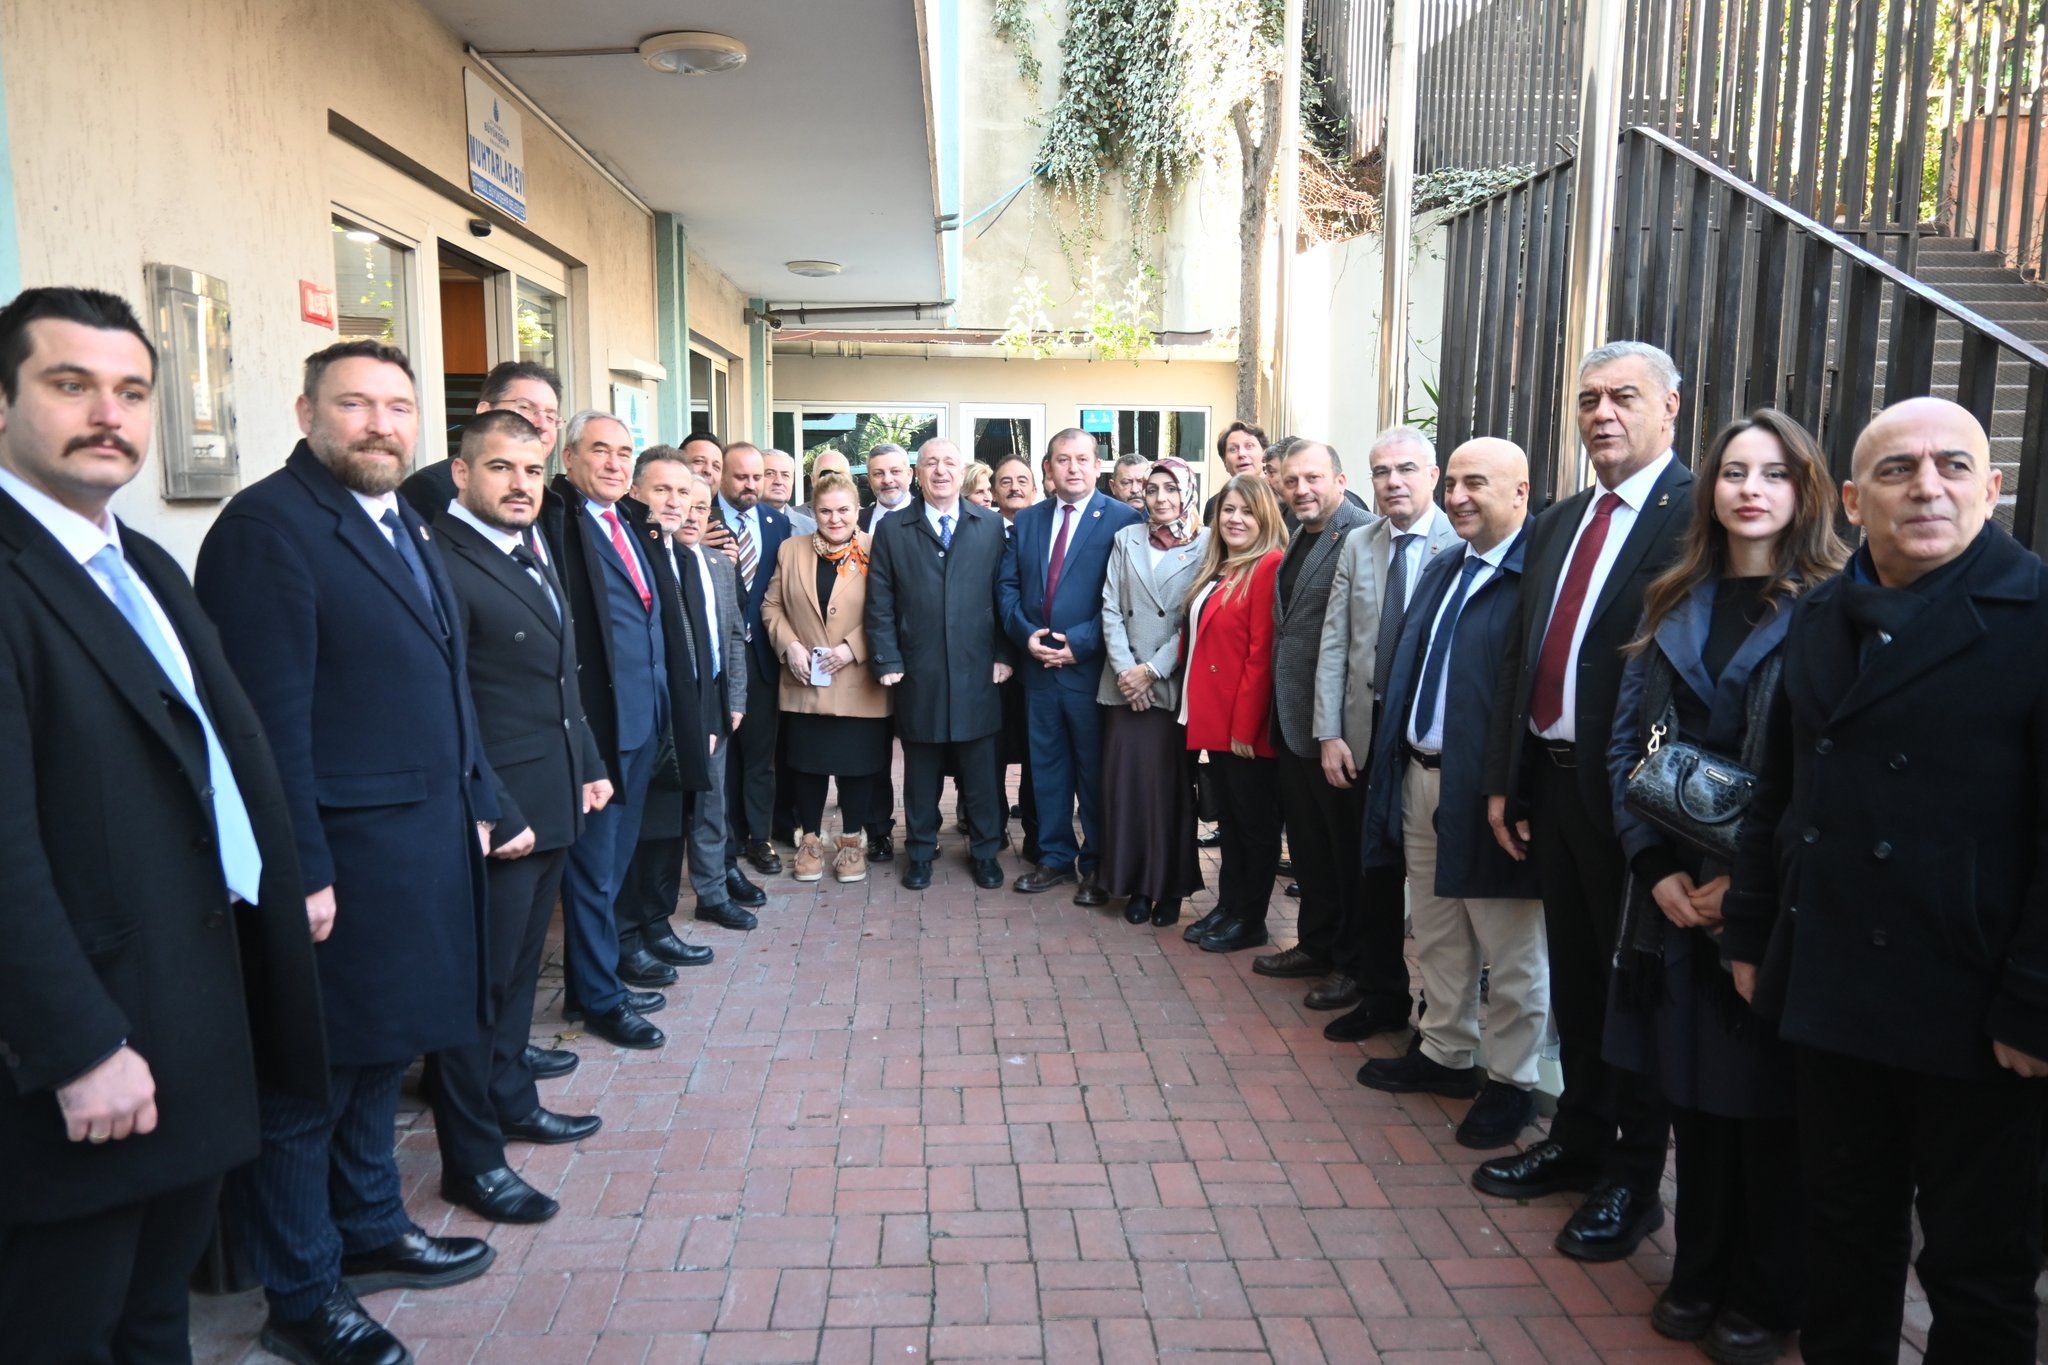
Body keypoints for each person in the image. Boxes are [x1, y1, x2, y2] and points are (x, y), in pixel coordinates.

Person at [0, 287, 324, 1365]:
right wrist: (77, 1046)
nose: (108, 414)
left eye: (132, 391)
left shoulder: (138, 563)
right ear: (3, 403)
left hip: (194, 1017)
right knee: (67, 1329)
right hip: (86, 1057)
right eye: (69, 384)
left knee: (154, 1320)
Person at [1725, 396, 2048, 1362]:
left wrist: (2035, 1003)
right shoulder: (1821, 612)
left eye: (1954, 465)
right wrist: (1749, 928)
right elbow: (1780, 789)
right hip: (1839, 991)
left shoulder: (2035, 615)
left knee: (1980, 1269)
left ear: (1991, 489)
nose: (1929, 485)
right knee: (1845, 1239)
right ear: (1857, 501)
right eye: (1900, 470)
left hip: (1978, 1006)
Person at [197, 339, 498, 1365]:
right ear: (306, 411)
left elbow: (446, 678)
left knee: (378, 1056)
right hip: (336, 863)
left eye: (397, 406)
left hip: (418, 847)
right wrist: (302, 873)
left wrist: (481, 795)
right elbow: (264, 728)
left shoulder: (403, 517)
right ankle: (303, 1293)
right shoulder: (266, 531)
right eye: (355, 404)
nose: (379, 423)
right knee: (306, 1082)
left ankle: (371, 1225)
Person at [1601, 410, 1843, 1362]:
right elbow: (1627, 745)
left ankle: (1764, 1288)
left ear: (1805, 490)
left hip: (1771, 902)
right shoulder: (1673, 597)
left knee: (1766, 1106)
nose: (1750, 487)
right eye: (1734, 470)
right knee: (1693, 1097)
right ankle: (1697, 1269)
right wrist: (1655, 868)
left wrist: (1741, 878)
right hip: (1668, 904)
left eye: (1773, 473)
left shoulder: (1833, 605)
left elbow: (1829, 767)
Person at [1477, 340, 1695, 1262]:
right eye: (1589, 399)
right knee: (1573, 971)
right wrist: (1507, 776)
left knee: (1632, 989)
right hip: (1553, 787)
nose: (1602, 413)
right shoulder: (1562, 521)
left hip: (1640, 801)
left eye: (1624, 397)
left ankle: (1633, 1179)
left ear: (1671, 408)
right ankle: (1576, 1139)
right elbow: (1527, 655)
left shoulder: (1698, 517)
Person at [423, 410, 615, 1226]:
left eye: (532, 470)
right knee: (479, 989)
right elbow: (448, 701)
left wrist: (592, 766)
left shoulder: (528, 546)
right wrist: (494, 808)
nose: (519, 484)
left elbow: (558, 678)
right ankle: (472, 1161)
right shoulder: (442, 557)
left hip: (554, 795)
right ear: (461, 475)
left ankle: (512, 1098)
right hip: (500, 811)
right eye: (499, 468)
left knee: (513, 984)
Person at [1358, 439, 1549, 1153]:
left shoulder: (1536, 579)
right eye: (1457, 482)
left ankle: (1511, 1080)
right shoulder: (1447, 568)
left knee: (1511, 944)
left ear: (1521, 491)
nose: (1460, 495)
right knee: (1437, 929)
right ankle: (1445, 1051)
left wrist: (1514, 787)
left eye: (1479, 482)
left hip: (1489, 791)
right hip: (1419, 775)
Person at [1306, 425, 1461, 1041]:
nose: (1392, 482)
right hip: (1362, 738)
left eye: (1404, 469)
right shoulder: (1359, 543)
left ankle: (1445, 1016)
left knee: (1430, 884)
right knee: (1369, 877)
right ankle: (1380, 996)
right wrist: (1329, 732)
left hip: (1427, 740)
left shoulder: (1460, 541)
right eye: (1381, 472)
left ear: (1432, 476)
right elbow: (1336, 640)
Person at [538, 411, 677, 1051]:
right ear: (569, 459)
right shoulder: (559, 528)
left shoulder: (628, 524)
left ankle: (595, 979)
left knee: (613, 866)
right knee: (593, 872)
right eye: (601, 450)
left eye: (625, 452)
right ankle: (598, 1000)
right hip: (601, 729)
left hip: (643, 723)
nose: (616, 464)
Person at [999, 428, 1146, 901]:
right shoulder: (1027, 521)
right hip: (1038, 669)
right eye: (1063, 460)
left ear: (1097, 466)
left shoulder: (1124, 520)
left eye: (1082, 459)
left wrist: (1078, 644)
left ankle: (1099, 864)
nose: (1073, 468)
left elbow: (1129, 600)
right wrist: (1027, 636)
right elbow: (1006, 588)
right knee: (1046, 769)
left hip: (1092, 671)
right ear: (1049, 468)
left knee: (1093, 770)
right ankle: (1055, 858)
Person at [618, 449, 751, 960]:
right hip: (666, 711)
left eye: (698, 505)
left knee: (710, 805)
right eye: (673, 497)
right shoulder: (650, 560)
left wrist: (730, 701)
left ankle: (708, 894)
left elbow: (733, 638)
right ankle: (647, 926)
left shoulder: (713, 564)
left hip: (712, 701)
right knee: (663, 819)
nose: (688, 512)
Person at [866, 438, 1013, 891]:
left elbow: (1004, 593)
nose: (941, 471)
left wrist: (1005, 655)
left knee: (982, 772)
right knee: (920, 771)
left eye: (950, 463)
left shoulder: (989, 525)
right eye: (931, 463)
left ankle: (986, 851)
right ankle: (920, 851)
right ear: (918, 472)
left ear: (962, 470)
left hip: (977, 671)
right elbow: (880, 600)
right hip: (918, 670)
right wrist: (888, 658)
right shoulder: (893, 528)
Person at [1256, 441, 1376, 995]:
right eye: (1292, 480)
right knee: (1308, 848)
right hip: (1292, 721)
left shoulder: (1363, 535)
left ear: (1340, 478)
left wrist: (1336, 730)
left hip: (1336, 733)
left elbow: (1360, 640)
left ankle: (1352, 963)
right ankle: (1316, 944)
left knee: (1344, 853)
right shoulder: (1294, 533)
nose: (1301, 489)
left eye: (1313, 479)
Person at [762, 471, 892, 882]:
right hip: (805, 680)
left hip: (859, 680)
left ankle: (852, 844)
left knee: (857, 766)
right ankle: (811, 842)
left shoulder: (878, 548)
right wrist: (791, 646)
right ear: (812, 511)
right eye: (825, 511)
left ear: (858, 510)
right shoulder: (790, 549)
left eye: (844, 510)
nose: (835, 519)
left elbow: (892, 608)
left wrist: (854, 648)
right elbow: (771, 606)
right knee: (807, 766)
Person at [1095, 457, 1208, 927]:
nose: (1161, 499)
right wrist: (1128, 672)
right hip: (1123, 689)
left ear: (1188, 493)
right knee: (1126, 792)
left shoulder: (1206, 545)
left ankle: (1170, 888)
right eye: (1153, 489)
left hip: (1171, 686)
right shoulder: (1126, 539)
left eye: (1171, 489)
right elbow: (1110, 608)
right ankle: (1135, 885)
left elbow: (1193, 619)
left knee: (1169, 793)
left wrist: (1152, 671)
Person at [1177, 475, 1287, 952]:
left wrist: (1244, 727)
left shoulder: (1268, 565)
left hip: (1245, 727)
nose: (1235, 519)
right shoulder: (1221, 567)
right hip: (1216, 719)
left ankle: (1251, 918)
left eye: (1246, 511)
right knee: (1233, 826)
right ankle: (1229, 906)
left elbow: (1261, 655)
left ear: (1264, 517)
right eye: (1227, 510)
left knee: (1254, 827)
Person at [710, 442, 792, 882]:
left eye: (757, 477)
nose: (751, 485)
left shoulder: (777, 524)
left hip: (761, 659)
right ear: (723, 475)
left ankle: (758, 837)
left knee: (761, 755)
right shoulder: (701, 520)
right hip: (717, 661)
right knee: (722, 758)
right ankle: (724, 840)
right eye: (741, 477)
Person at [399, 358, 563, 522]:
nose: (542, 424)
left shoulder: (549, 501)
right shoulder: (428, 489)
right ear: (485, 411)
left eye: (550, 416)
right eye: (525, 407)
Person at [990, 452, 1042, 863]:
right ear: (993, 491)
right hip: (990, 664)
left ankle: (1034, 831)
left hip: (1035, 660)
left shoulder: (1044, 529)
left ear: (1036, 487)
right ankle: (988, 826)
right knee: (990, 750)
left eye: (1022, 479)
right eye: (1005, 481)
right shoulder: (982, 532)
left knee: (1033, 752)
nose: (1014, 487)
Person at [1203, 420, 1268, 525]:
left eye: (1249, 446)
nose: (1241, 454)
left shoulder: (1283, 499)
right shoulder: (1213, 505)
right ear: (1225, 463)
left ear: (1265, 455)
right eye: (1233, 449)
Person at [861, 441, 915, 531]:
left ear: (909, 475)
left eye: (895, 471)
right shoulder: (856, 522)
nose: (887, 480)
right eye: (878, 473)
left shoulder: (930, 517)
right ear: (869, 480)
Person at [764, 447, 813, 534]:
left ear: (792, 480)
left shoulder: (812, 529)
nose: (779, 481)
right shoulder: (740, 525)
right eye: (770, 473)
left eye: (785, 475)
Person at [795, 449, 851, 523]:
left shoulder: (866, 518)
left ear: (850, 479)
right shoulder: (793, 517)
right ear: (813, 480)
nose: (832, 480)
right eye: (825, 475)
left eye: (839, 475)